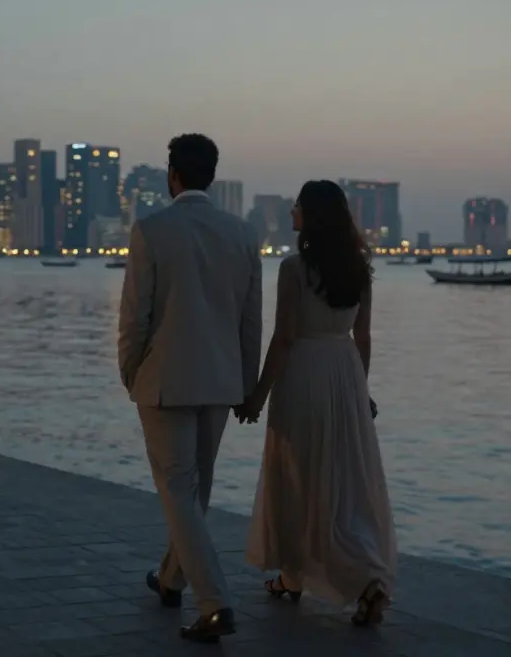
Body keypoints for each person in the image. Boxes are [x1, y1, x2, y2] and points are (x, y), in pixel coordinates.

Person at [117, 133, 263, 643]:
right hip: (220, 382)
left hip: (164, 380)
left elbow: (136, 314)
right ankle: (170, 579)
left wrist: (129, 369)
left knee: (179, 491)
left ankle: (215, 603)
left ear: (172, 176)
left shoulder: (152, 230)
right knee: (194, 490)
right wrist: (247, 385)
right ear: (212, 176)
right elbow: (250, 322)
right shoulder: (243, 235)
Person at [236, 179, 397, 626]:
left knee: (297, 473)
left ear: (312, 216)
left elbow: (285, 338)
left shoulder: (294, 269)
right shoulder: (359, 270)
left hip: (304, 373)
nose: (291, 215)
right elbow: (362, 337)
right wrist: (359, 392)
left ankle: (358, 579)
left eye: (297, 208)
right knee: (341, 481)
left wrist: (257, 397)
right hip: (343, 372)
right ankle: (297, 576)